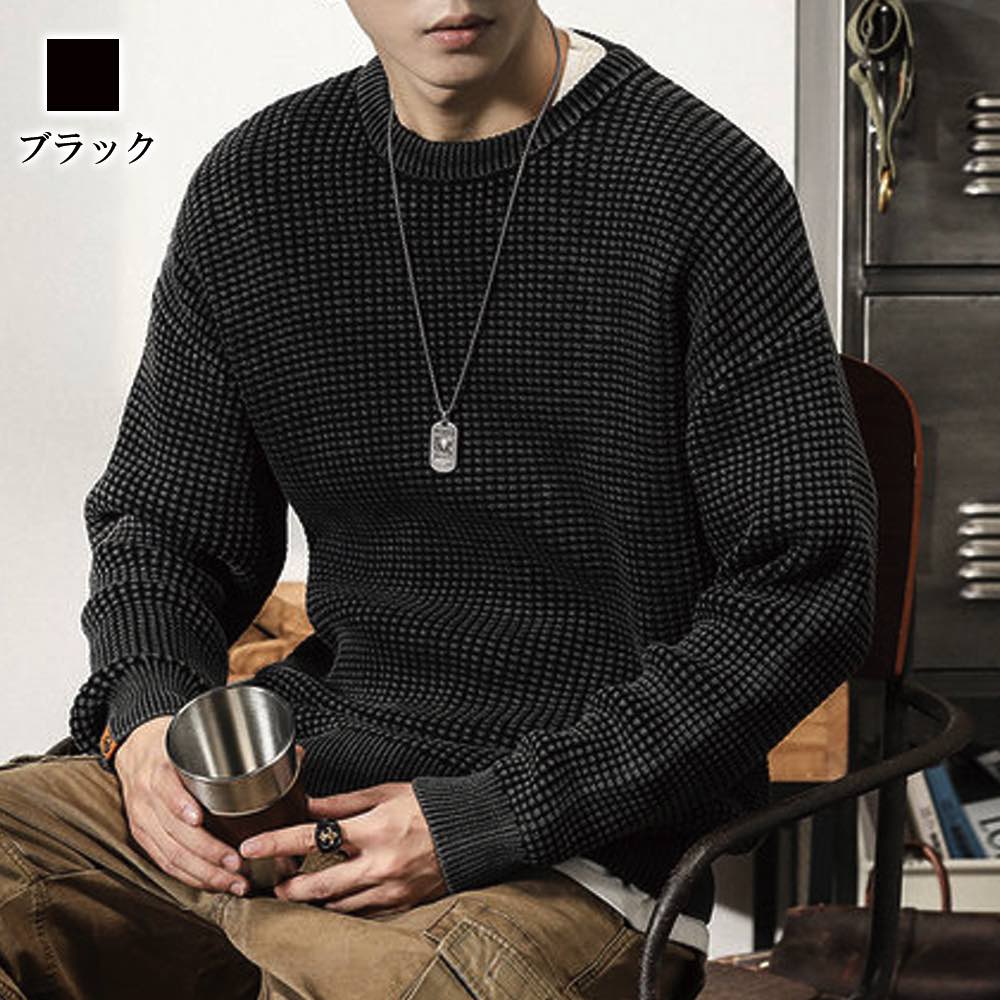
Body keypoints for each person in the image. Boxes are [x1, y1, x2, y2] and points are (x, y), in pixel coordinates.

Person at [0, 2, 878, 998]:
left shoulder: (700, 184)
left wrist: (492, 816)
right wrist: (151, 722)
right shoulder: (257, 186)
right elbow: (163, 527)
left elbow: (806, 590)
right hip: (285, 797)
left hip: (565, 854)